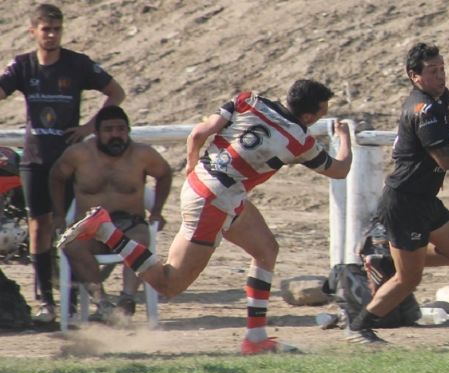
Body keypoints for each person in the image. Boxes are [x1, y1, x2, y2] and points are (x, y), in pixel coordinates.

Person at [58, 80, 352, 354]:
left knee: (266, 250)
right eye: (321, 112)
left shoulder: (249, 100)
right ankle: (107, 231)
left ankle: (256, 338)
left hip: (206, 185)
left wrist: (191, 166)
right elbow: (340, 170)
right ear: (310, 116)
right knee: (169, 283)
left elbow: (198, 134)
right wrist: (345, 138)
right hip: (215, 202)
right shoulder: (299, 140)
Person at [345, 42, 449, 344]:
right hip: (404, 202)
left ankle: (388, 258)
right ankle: (359, 327)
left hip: (425, 199)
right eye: (432, 71)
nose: (440, 76)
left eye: (442, 69)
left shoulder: (440, 99)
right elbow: (446, 160)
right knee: (408, 279)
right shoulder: (424, 109)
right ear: (414, 76)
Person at [0, 4, 126, 323]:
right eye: (46, 29)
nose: (52, 35)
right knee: (38, 226)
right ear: (33, 31)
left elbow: (116, 93)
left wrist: (90, 128)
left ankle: (74, 301)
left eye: (57, 29)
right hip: (34, 158)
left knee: (71, 227)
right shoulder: (23, 65)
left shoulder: (77, 63)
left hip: (70, 160)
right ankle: (46, 302)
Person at [50, 105, 172, 321]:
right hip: (90, 226)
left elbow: (164, 174)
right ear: (97, 132)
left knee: (140, 240)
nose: (116, 134)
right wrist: (59, 214)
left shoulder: (143, 154)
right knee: (71, 245)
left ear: (128, 131)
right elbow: (56, 177)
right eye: (108, 130)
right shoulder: (78, 154)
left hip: (130, 224)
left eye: (121, 129)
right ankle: (103, 304)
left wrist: (157, 211)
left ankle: (127, 301)